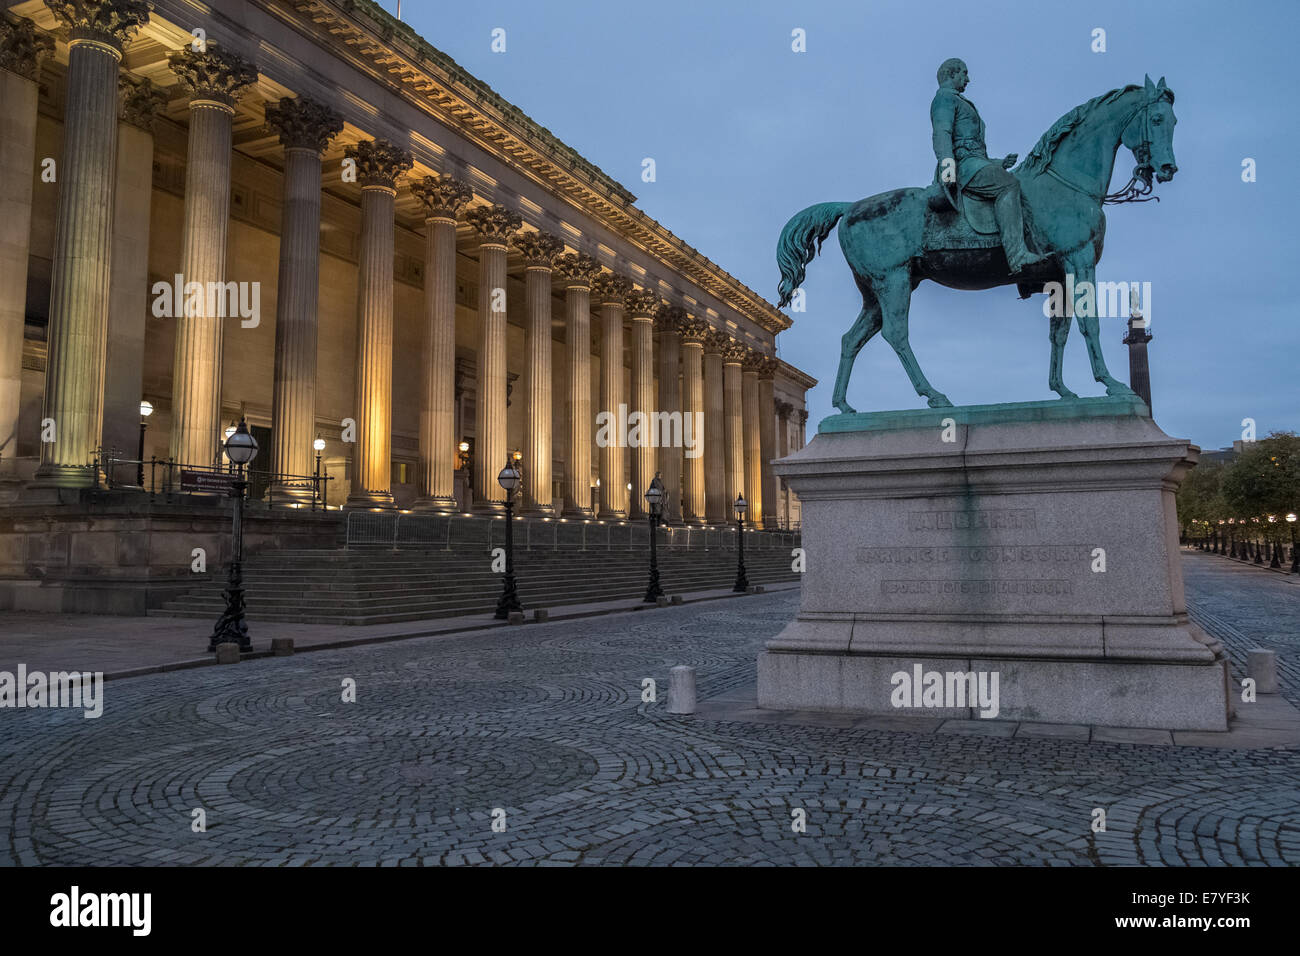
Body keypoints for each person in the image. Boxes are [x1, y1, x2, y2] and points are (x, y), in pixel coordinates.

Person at [930, 57, 1046, 273]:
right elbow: (942, 133)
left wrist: (998, 163)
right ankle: (1017, 256)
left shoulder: (957, 100)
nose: (968, 79)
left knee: (1016, 184)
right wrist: (948, 169)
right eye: (964, 73)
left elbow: (973, 148)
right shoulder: (945, 98)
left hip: (973, 162)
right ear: (951, 74)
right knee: (1008, 184)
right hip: (963, 166)